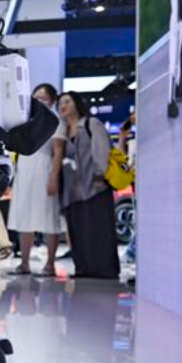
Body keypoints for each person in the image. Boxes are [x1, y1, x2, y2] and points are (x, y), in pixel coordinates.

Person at [56, 92, 120, 279]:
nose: (63, 105)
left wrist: (99, 174)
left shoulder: (91, 124)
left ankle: (105, 269)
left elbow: (102, 150)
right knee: (79, 230)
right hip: (72, 191)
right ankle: (83, 268)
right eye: (60, 103)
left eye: (67, 101)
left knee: (100, 229)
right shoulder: (63, 131)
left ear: (77, 103)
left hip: (95, 187)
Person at [8, 83, 67, 276]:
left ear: (51, 100)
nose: (38, 101)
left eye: (43, 98)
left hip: (45, 170)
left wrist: (53, 178)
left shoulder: (55, 122)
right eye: (36, 97)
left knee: (49, 218)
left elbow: (58, 152)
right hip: (24, 171)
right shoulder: (25, 120)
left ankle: (50, 264)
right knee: (24, 218)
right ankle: (24, 263)